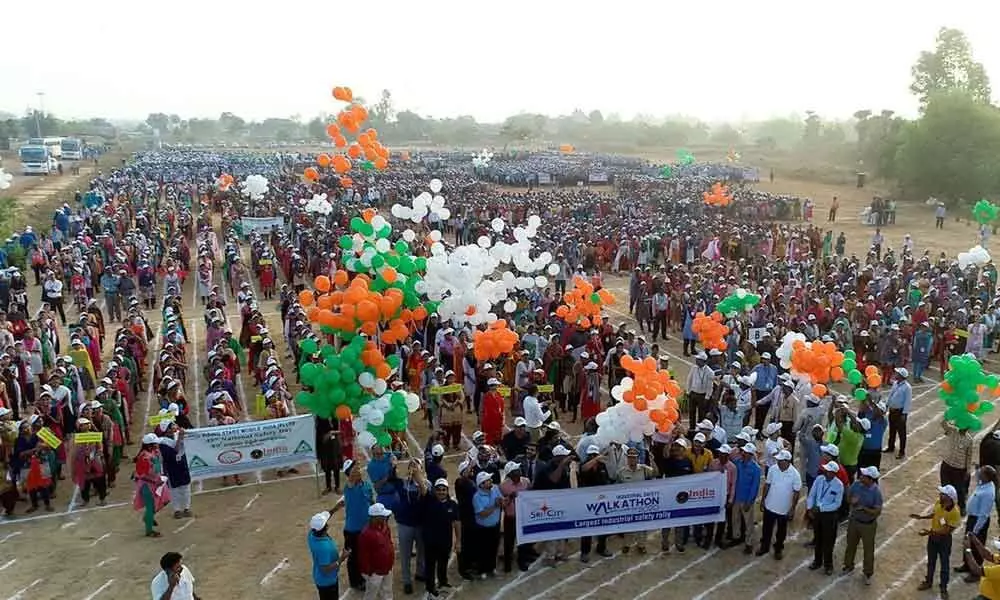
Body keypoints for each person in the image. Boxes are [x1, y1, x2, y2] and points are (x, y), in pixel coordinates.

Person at [913, 484, 962, 599]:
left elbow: (946, 531)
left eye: (943, 494)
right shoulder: (938, 503)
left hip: (944, 541)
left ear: (949, 498)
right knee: (931, 561)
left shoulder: (955, 512)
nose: (940, 495)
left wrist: (928, 533)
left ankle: (943, 587)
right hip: (933, 538)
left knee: (944, 564)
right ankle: (928, 581)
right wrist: (922, 517)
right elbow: (935, 514)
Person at [757, 450, 801, 560]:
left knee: (781, 531)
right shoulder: (773, 469)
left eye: (781, 460)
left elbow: (796, 493)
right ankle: (764, 546)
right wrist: (763, 500)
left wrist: (792, 509)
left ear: (787, 461)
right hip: (770, 506)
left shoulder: (795, 474)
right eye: (778, 460)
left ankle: (778, 549)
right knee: (766, 529)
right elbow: (767, 485)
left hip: (783, 509)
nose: (778, 462)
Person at [842, 466, 883, 585]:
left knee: (868, 550)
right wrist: (851, 501)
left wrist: (864, 509)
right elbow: (848, 497)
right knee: (850, 545)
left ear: (871, 480)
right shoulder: (856, 485)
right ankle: (848, 566)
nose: (861, 476)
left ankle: (867, 573)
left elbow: (877, 511)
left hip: (868, 525)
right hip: (854, 521)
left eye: (864, 476)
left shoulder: (876, 492)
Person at [956, 465, 998, 583]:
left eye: (981, 471)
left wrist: (975, 529)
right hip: (972, 518)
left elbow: (984, 514)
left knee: (976, 546)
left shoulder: (989, 493)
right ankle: (966, 564)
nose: (979, 472)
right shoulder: (983, 483)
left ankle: (976, 572)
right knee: (967, 542)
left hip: (978, 521)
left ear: (986, 476)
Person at [422, 478, 461, 599]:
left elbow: (457, 522)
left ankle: (443, 582)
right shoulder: (429, 500)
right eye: (438, 490)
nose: (441, 492)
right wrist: (416, 469)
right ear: (434, 490)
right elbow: (421, 485)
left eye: (443, 490)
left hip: (445, 541)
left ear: (447, 490)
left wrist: (458, 540)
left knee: (443, 563)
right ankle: (430, 588)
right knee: (430, 565)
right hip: (430, 541)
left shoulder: (452, 505)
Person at [395, 459, 428, 595]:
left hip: (421, 524)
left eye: (416, 466)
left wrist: (420, 480)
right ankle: (407, 580)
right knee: (405, 554)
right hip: (405, 524)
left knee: (422, 551)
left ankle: (420, 572)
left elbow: (427, 495)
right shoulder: (403, 484)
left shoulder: (426, 484)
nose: (413, 468)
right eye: (411, 466)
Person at [806, 461, 845, 575]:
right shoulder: (819, 479)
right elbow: (812, 494)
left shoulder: (838, 485)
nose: (826, 472)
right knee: (818, 538)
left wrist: (821, 508)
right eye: (826, 470)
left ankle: (828, 565)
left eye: (828, 471)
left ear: (833, 473)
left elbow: (837, 504)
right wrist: (809, 508)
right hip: (817, 513)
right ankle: (817, 561)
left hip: (829, 516)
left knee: (828, 541)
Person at [341, 459, 374, 591]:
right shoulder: (349, 487)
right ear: (349, 474)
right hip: (352, 530)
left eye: (359, 468)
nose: (359, 470)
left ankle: (364, 575)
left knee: (364, 554)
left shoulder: (366, 485)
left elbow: (371, 500)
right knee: (353, 557)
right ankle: (355, 581)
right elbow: (351, 481)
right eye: (355, 469)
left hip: (366, 527)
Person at [579, 445, 612, 561]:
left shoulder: (602, 466)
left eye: (595, 455)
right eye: (591, 455)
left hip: (601, 501)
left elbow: (606, 480)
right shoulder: (584, 464)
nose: (593, 457)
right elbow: (583, 470)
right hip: (587, 502)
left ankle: (601, 548)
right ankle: (585, 552)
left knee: (603, 525)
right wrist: (595, 460)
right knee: (587, 527)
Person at [308, 509, 349, 600]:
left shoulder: (312, 535)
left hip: (320, 577)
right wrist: (342, 558)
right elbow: (325, 569)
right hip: (327, 582)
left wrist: (336, 508)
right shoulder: (323, 548)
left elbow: (324, 519)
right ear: (326, 528)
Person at [499, 461, 533, 571]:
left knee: (522, 541)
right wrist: (510, 497)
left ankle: (522, 561)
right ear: (510, 474)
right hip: (511, 518)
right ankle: (507, 563)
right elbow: (502, 504)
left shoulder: (526, 481)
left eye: (518, 470)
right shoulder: (503, 487)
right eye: (515, 471)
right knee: (508, 541)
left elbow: (532, 494)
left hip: (523, 517)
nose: (519, 472)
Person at [359, 502, 395, 600]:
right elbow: (363, 555)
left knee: (387, 592)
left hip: (387, 568)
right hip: (374, 572)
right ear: (374, 518)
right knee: (371, 595)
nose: (385, 518)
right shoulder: (366, 534)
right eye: (382, 516)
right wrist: (369, 572)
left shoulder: (385, 527)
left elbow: (389, 542)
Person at [731, 443, 762, 553]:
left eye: (746, 452)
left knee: (748, 522)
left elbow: (755, 487)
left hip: (746, 499)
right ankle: (736, 537)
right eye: (743, 451)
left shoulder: (756, 469)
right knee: (735, 519)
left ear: (750, 455)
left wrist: (750, 501)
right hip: (736, 497)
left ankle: (749, 542)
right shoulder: (737, 463)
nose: (743, 453)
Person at [472, 470, 503, 578]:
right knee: (483, 549)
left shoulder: (495, 488)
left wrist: (505, 501)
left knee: (493, 548)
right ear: (481, 484)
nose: (491, 481)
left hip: (495, 525)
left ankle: (492, 568)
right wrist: (495, 505)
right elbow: (482, 514)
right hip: (482, 528)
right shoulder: (476, 497)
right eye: (488, 480)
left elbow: (501, 501)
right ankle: (482, 570)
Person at [940, 418, 974, 515]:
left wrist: (968, 470)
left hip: (959, 468)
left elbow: (969, 456)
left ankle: (961, 506)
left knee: (959, 489)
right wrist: (948, 415)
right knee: (945, 487)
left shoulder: (969, 440)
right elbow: (943, 424)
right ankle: (944, 505)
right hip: (947, 464)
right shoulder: (953, 431)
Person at [883, 367, 912, 459]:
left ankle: (902, 451)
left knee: (901, 433)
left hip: (900, 412)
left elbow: (907, 401)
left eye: (897, 373)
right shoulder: (895, 383)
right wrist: (887, 405)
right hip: (892, 410)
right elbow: (891, 395)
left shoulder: (907, 387)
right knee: (892, 430)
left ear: (901, 376)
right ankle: (891, 447)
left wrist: (904, 414)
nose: (895, 374)